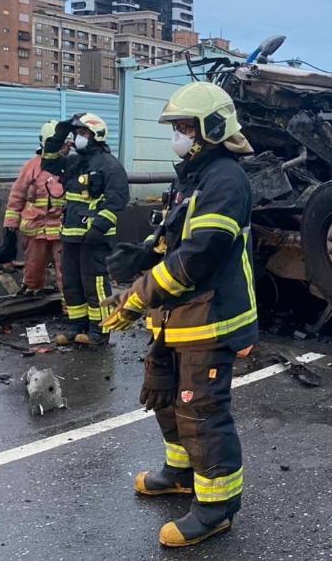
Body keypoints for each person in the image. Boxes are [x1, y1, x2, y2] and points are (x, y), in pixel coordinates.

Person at [101, 81, 257, 548]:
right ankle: (180, 472)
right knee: (166, 396)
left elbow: (199, 256)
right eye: (178, 128)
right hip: (177, 316)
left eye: (187, 127)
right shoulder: (192, 175)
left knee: (202, 411)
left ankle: (216, 508)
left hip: (211, 318)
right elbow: (173, 238)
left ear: (212, 128)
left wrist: (138, 296)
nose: (180, 136)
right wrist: (142, 257)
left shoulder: (226, 179)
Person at [40, 113, 128, 346]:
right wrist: (59, 134)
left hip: (95, 238)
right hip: (71, 235)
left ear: (96, 136)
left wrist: (98, 228)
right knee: (72, 283)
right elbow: (48, 162)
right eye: (77, 133)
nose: (79, 138)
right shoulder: (73, 161)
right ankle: (77, 326)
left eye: (83, 133)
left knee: (95, 284)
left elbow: (117, 200)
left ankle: (100, 330)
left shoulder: (110, 165)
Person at [0, 121, 64, 296]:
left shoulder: (70, 165)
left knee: (66, 269)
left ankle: (70, 306)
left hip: (61, 228)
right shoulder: (31, 167)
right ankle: (31, 295)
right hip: (36, 227)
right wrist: (10, 224)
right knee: (33, 266)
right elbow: (17, 196)